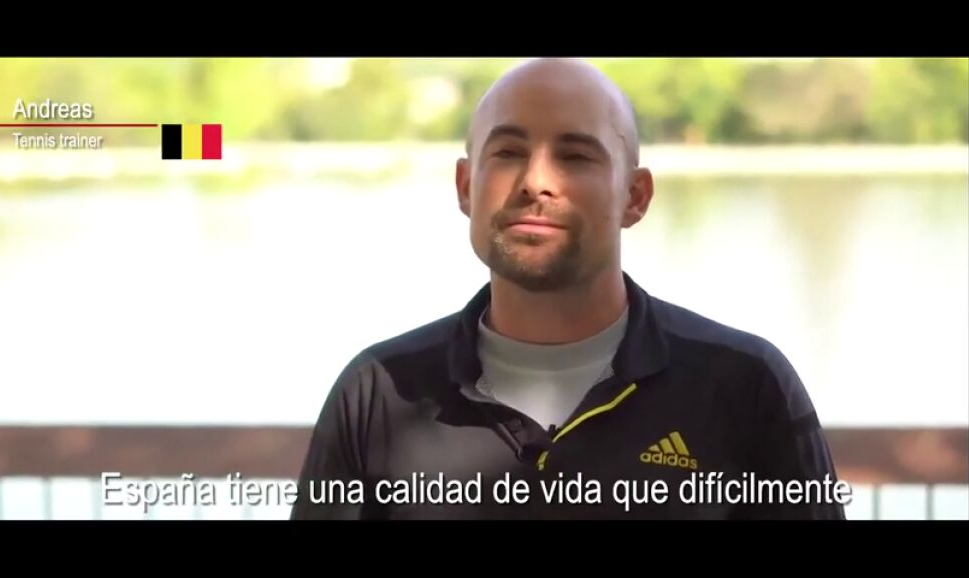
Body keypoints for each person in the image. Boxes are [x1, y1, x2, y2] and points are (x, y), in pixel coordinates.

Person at [290, 58, 846, 520]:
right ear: (465, 187)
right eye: (508, 153)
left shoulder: (744, 386)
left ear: (635, 197)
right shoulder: (379, 393)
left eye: (575, 156)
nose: (535, 181)